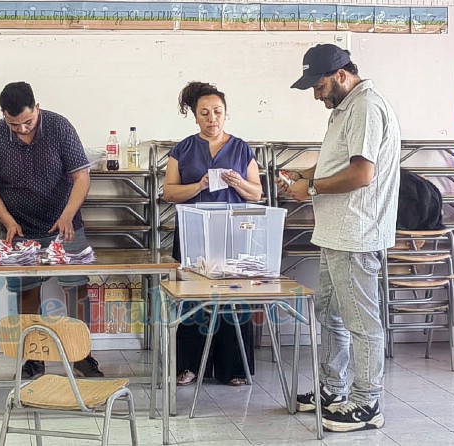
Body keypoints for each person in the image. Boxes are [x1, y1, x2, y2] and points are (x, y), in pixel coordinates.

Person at [284, 44, 401, 432]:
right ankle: (333, 390)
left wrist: (312, 188)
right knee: (330, 315)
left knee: (361, 323)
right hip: (336, 234)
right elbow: (338, 161)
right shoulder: (344, 109)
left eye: (317, 86)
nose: (315, 94)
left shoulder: (365, 106)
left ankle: (368, 403)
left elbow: (362, 175)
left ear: (340, 75)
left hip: (357, 234)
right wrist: (305, 178)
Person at [0, 81, 102, 379]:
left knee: (77, 288)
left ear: (37, 108)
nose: (21, 129)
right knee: (26, 291)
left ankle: (80, 354)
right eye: (14, 124)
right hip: (18, 226)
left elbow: (81, 177)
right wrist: (7, 220)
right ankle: (34, 356)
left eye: (27, 122)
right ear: (3, 115)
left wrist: (68, 216)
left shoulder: (59, 127)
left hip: (65, 221)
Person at [163, 81, 263, 386]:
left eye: (217, 112)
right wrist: (199, 186)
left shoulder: (241, 148)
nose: (212, 119)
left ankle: (234, 368)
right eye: (204, 113)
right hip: (193, 232)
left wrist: (237, 183)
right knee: (192, 298)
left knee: (234, 298)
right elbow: (169, 192)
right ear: (195, 117)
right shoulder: (182, 149)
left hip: (232, 233)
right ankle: (189, 365)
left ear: (226, 113)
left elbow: (257, 194)